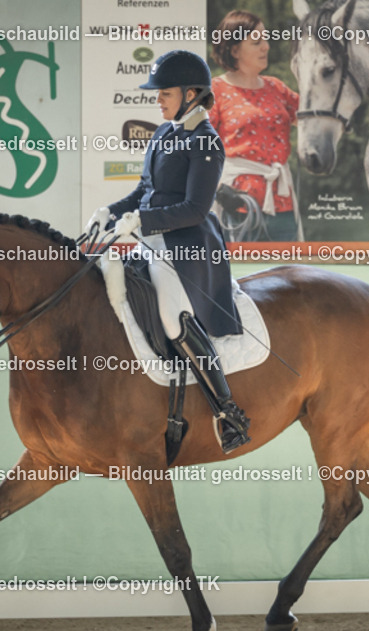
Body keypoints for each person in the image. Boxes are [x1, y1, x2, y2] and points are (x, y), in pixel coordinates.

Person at [88, 50, 250, 454]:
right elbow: (145, 190)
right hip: (152, 238)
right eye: (157, 93)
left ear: (191, 93)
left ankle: (228, 413)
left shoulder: (205, 142)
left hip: (188, 247)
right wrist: (112, 210)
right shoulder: (164, 133)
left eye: (165, 93)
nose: (157, 99)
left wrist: (142, 220)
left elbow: (196, 208)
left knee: (172, 316)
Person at [210, 10, 300, 241]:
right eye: (256, 41)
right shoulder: (215, 90)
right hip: (237, 204)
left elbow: (312, 119)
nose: (266, 47)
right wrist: (218, 189)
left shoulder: (277, 88)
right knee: (243, 275)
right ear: (234, 50)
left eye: (266, 39)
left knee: (286, 274)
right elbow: (197, 148)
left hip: (282, 202)